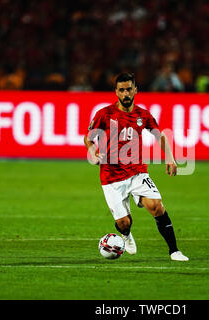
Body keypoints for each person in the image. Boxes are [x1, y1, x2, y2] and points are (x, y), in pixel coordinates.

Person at [84, 72, 188, 261]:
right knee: (124, 222)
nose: (126, 94)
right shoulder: (104, 114)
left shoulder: (143, 115)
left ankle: (174, 251)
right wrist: (93, 151)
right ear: (116, 92)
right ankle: (126, 235)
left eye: (129, 89)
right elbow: (88, 137)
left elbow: (159, 136)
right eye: (122, 90)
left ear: (135, 90)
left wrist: (170, 158)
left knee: (156, 206)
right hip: (111, 176)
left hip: (137, 172)